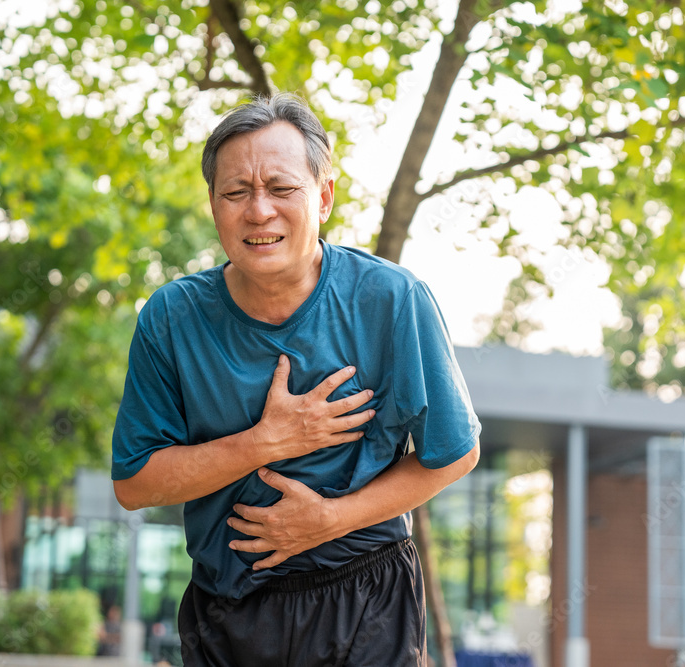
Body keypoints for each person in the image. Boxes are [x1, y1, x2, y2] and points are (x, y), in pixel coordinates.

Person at [111, 92, 481, 666]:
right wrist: (267, 441)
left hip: (365, 597)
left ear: (324, 196)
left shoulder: (392, 299)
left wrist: (330, 520)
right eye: (237, 192)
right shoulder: (172, 317)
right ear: (213, 203)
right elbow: (135, 484)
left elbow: (454, 454)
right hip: (225, 607)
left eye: (282, 188)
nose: (259, 211)